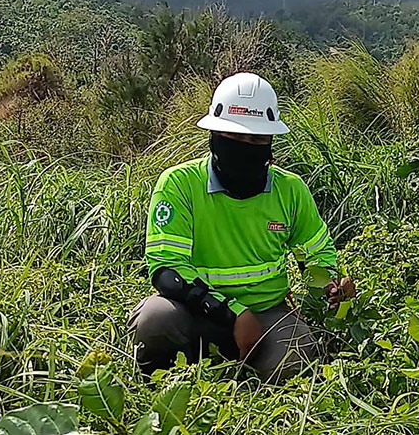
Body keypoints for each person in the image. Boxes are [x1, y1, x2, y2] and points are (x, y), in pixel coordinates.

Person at [130, 72, 356, 382]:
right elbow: (167, 270)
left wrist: (329, 285)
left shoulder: (290, 191)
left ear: (270, 142)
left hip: (268, 314)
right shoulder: (180, 185)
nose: (244, 147)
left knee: (295, 363)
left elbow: (316, 254)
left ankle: (242, 370)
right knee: (154, 320)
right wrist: (233, 312)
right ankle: (159, 384)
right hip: (195, 310)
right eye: (234, 138)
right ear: (214, 137)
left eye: (255, 139)